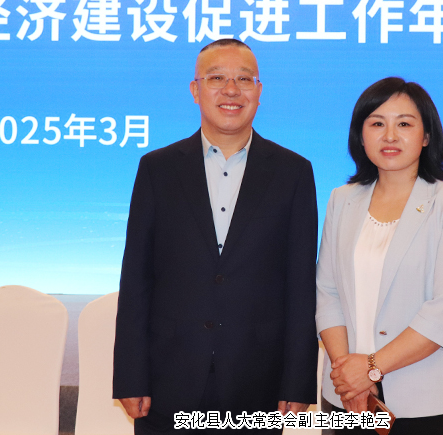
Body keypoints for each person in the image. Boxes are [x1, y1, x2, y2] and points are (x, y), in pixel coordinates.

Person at [113, 39, 319, 434]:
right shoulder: (157, 169)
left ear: (259, 90)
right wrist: (130, 376)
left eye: (244, 79)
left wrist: (297, 380)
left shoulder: (293, 172)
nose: (231, 90)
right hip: (168, 379)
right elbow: (137, 279)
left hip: (257, 381)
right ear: (195, 90)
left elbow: (300, 285)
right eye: (217, 78)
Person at [316, 77, 443, 435]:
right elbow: (327, 293)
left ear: (426, 137)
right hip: (349, 397)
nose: (390, 136)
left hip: (428, 400)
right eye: (377, 124)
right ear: (361, 137)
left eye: (404, 124)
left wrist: (370, 369)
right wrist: (348, 374)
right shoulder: (341, 200)